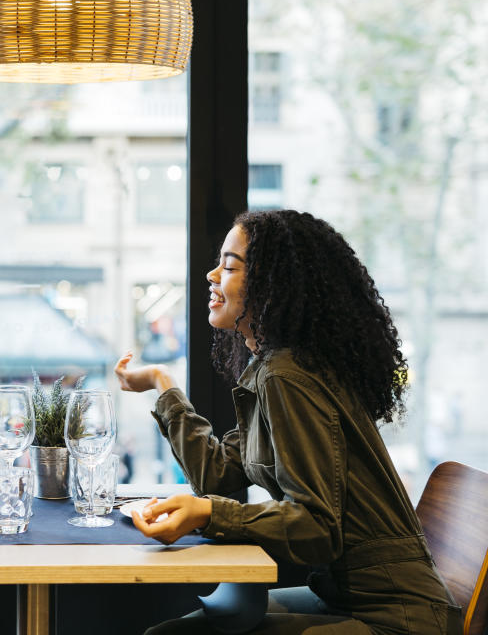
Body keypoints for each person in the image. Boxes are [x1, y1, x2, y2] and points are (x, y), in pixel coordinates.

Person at [115, 209, 462, 634]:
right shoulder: (272, 368)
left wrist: (208, 513)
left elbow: (317, 528)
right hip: (344, 595)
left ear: (271, 285)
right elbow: (216, 474)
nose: (211, 275)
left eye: (228, 265)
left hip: (397, 617)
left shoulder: (289, 376)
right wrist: (161, 383)